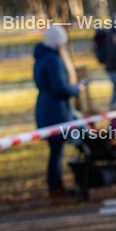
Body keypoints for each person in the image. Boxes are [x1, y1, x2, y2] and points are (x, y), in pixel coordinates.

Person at [33, 25, 84, 201]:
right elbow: (60, 88)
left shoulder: (42, 57)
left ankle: (57, 187)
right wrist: (77, 89)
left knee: (56, 151)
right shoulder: (53, 60)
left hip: (47, 108)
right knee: (57, 152)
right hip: (55, 111)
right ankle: (56, 189)